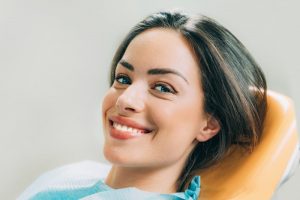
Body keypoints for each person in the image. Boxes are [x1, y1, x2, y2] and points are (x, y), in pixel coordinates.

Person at [18, 10, 267, 200]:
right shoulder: (74, 175)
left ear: (209, 123)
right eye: (123, 79)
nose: (125, 99)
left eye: (162, 88)